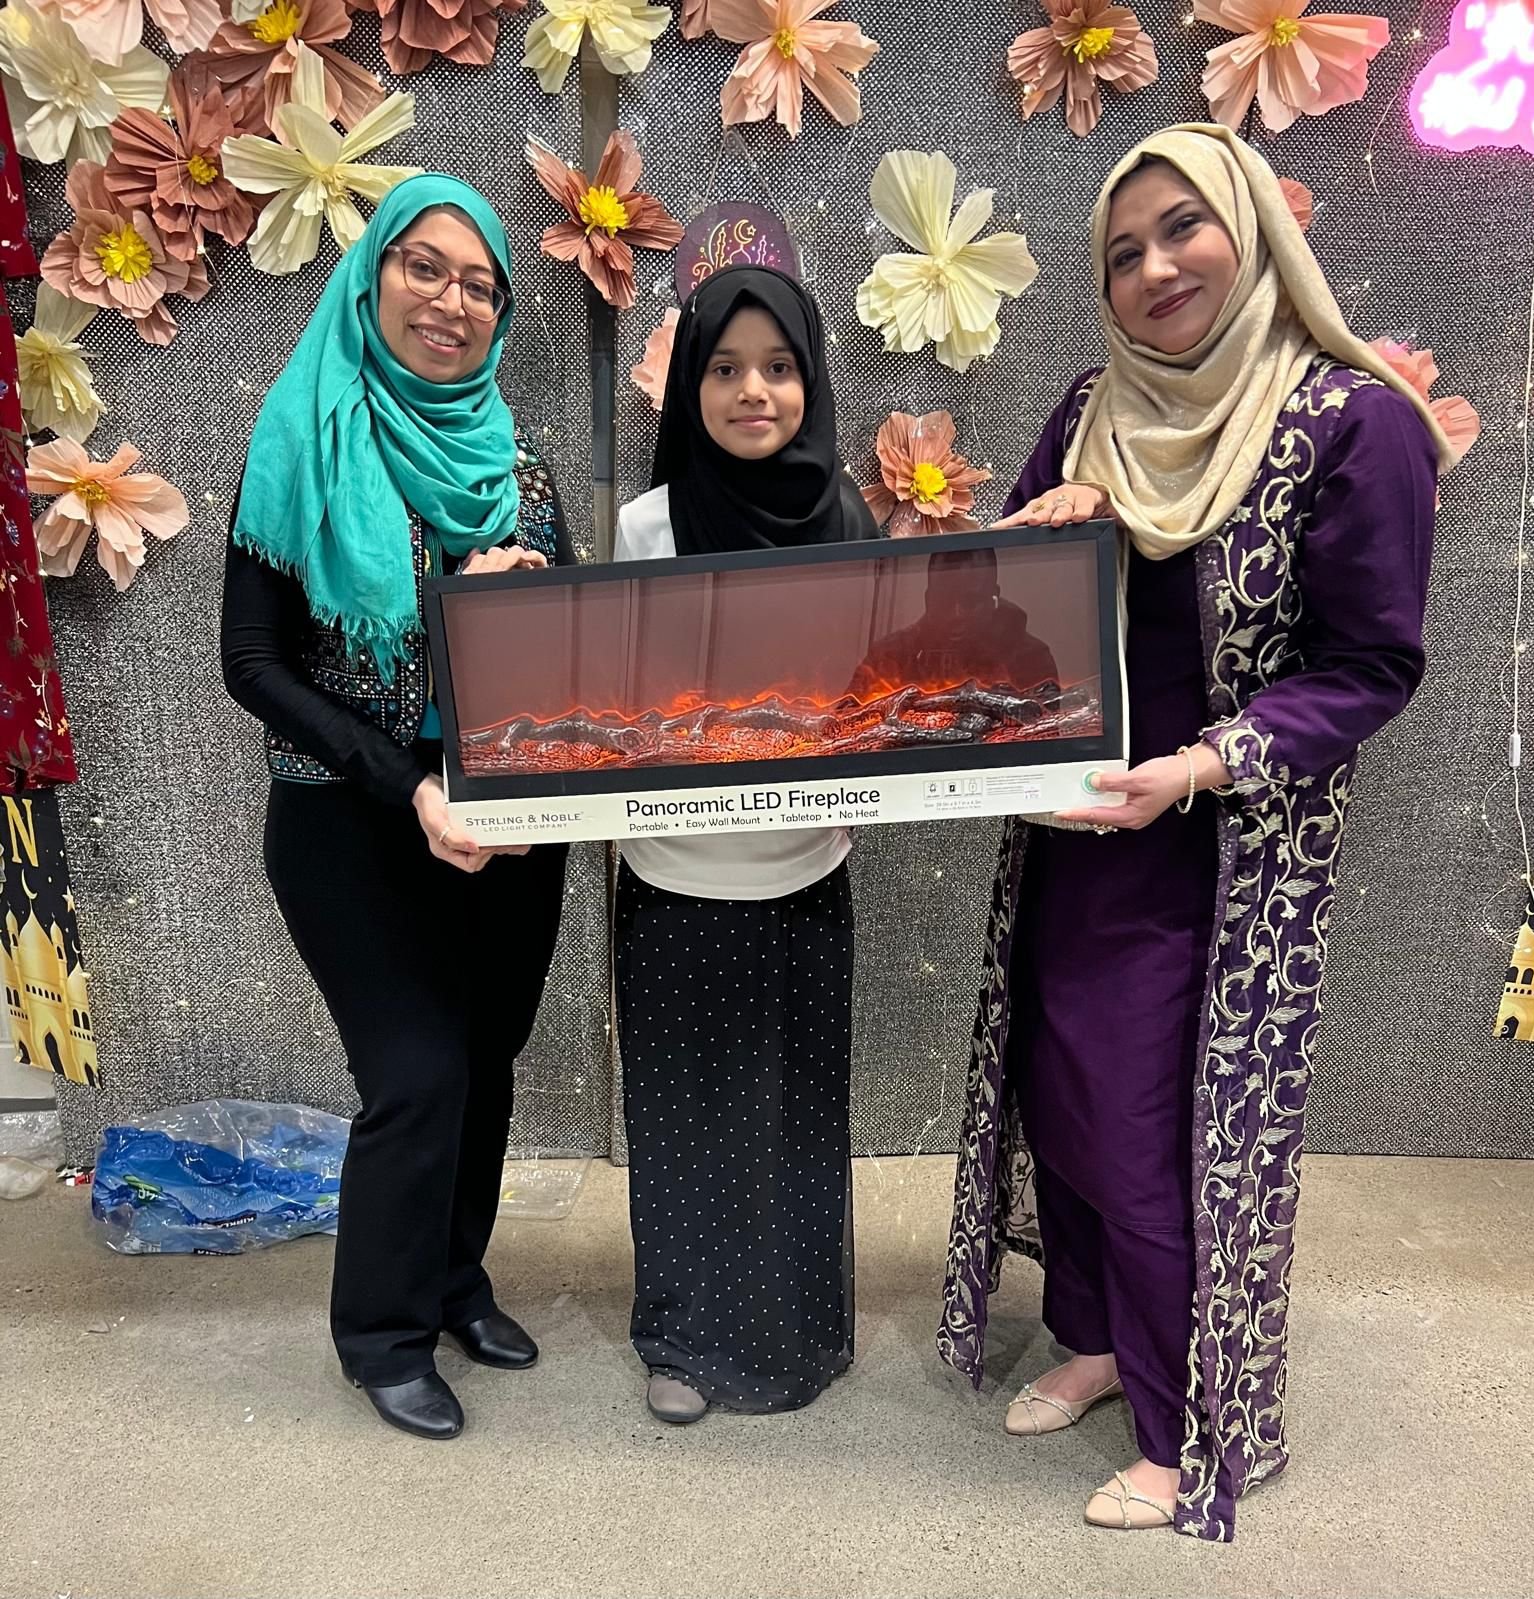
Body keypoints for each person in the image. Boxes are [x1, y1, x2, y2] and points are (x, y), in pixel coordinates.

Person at [936, 125, 1453, 1537]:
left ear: (1250, 230)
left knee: (1147, 1132)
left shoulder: (1350, 421)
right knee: (1060, 1093)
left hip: (1217, 856)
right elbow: (995, 611)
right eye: (1123, 251)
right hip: (1076, 832)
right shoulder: (1092, 408)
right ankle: (1100, 1338)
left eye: (1182, 228)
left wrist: (1209, 762)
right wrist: (1052, 526)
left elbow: (1371, 663)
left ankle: (1182, 1429)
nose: (1155, 267)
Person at [221, 175, 573, 1441]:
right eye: (425, 267)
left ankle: (453, 1283)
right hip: (349, 819)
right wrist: (408, 776)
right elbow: (251, 664)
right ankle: (381, 1334)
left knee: (484, 1065)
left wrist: (518, 608)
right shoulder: (299, 441)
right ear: (371, 276)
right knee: (416, 1072)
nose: (451, 301)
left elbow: (571, 656)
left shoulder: (520, 472)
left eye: (479, 283)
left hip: (503, 825)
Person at [612, 265, 877, 1425]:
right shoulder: (647, 526)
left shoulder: (850, 521)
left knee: (796, 1115)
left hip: (803, 874)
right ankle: (682, 1340)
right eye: (722, 369)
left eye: (777, 368)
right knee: (684, 1118)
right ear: (689, 387)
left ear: (809, 381)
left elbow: (874, 697)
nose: (752, 391)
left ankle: (800, 1332)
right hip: (674, 878)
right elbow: (617, 701)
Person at [846, 546, 1060, 702]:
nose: (956, 613)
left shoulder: (1029, 658)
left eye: (970, 602)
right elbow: (845, 729)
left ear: (992, 598)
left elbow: (1046, 740)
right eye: (945, 600)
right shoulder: (889, 656)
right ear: (928, 598)